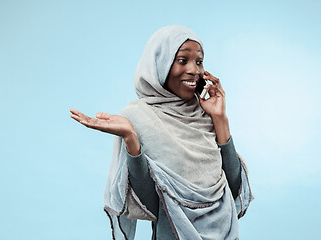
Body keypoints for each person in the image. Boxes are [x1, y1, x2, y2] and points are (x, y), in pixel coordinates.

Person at [70, 25, 253, 240]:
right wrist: (131, 139)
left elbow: (231, 191)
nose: (194, 70)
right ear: (160, 64)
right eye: (183, 60)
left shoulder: (205, 113)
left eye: (199, 61)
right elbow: (150, 205)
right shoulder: (138, 117)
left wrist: (220, 119)